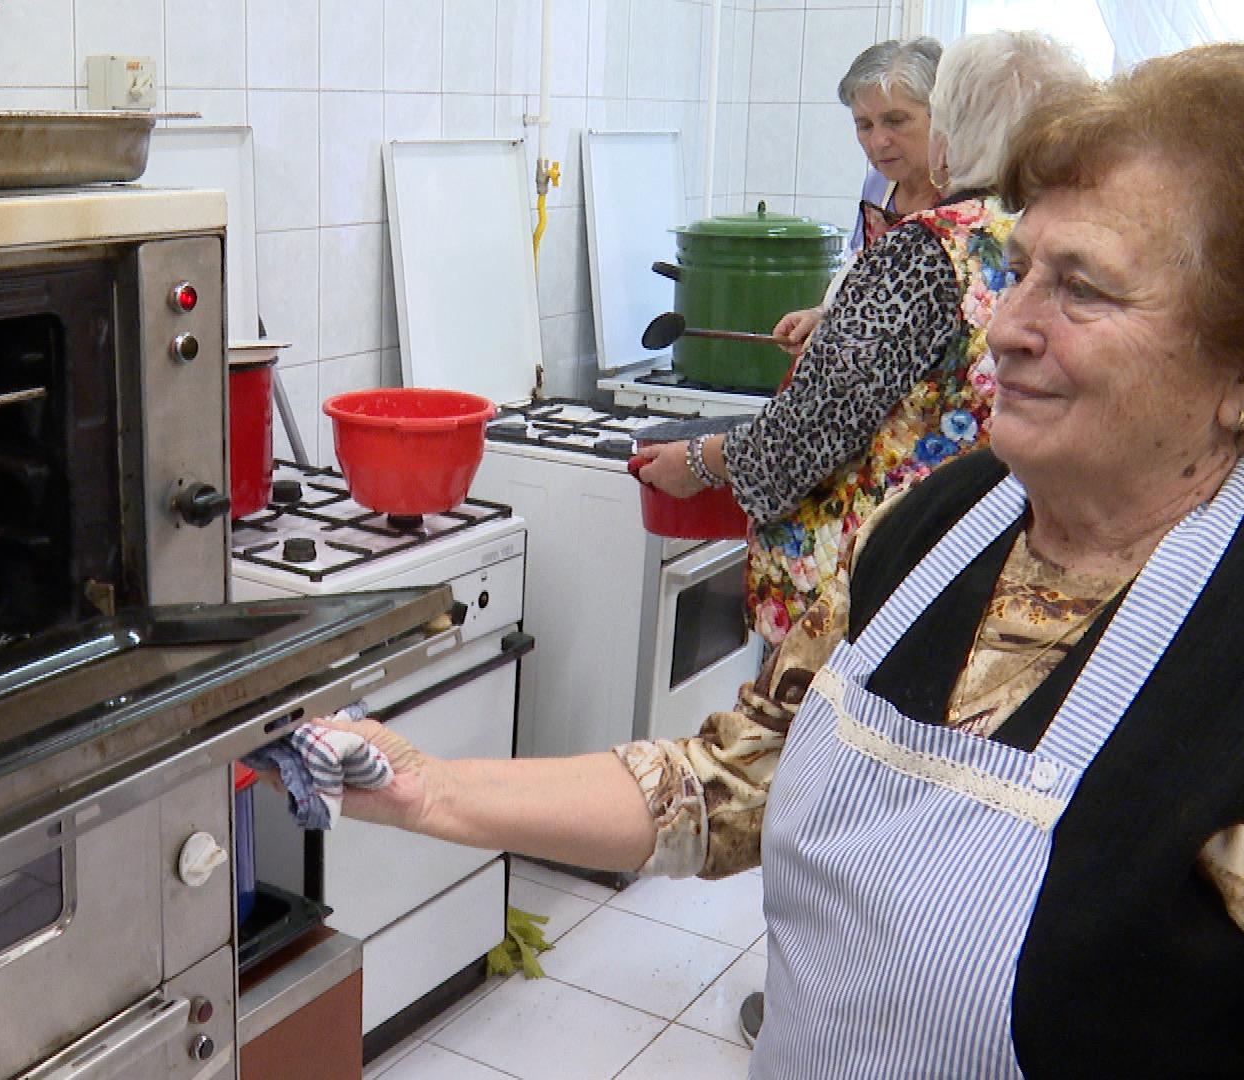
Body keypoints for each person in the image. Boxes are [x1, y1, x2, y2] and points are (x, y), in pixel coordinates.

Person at [319, 42, 1244, 1076]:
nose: (1008, 328)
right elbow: (734, 774)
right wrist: (432, 789)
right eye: (1023, 269)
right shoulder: (936, 528)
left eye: (1083, 290)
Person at [637, 31, 1091, 649]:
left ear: (951, 128)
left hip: (872, 574)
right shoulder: (1040, 235)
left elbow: (813, 427)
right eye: (865, 124)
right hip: (970, 552)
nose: (882, 140)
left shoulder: (924, 249)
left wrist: (698, 462)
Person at [775, 37, 947, 351]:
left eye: (896, 121)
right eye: (864, 125)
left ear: (941, 116)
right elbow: (860, 275)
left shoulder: (970, 198)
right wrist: (822, 316)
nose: (879, 141)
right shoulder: (878, 186)